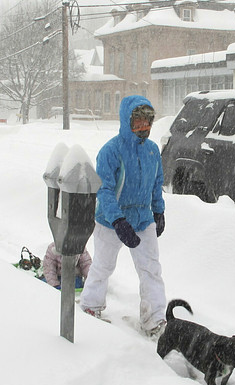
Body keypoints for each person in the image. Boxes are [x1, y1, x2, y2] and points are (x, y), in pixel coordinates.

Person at [79, 95, 168, 337]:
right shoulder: (111, 151)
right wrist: (118, 221)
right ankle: (90, 306)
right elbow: (105, 189)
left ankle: (155, 320)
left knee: (151, 269)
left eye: (147, 123)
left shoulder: (152, 151)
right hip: (110, 221)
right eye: (138, 123)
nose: (143, 129)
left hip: (142, 217)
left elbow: (156, 183)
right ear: (126, 121)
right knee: (103, 266)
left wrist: (158, 210)